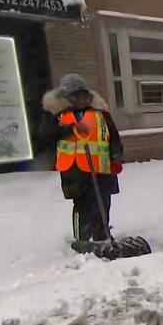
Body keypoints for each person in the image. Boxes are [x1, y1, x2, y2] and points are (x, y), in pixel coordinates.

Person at [41, 74, 124, 245]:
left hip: (101, 168)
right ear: (66, 98)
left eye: (84, 94)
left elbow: (113, 137)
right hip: (75, 171)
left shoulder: (101, 114)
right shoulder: (57, 116)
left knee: (103, 201)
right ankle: (82, 237)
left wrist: (116, 157)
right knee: (83, 204)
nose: (82, 99)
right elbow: (45, 135)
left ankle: (102, 234)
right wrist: (70, 129)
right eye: (76, 96)